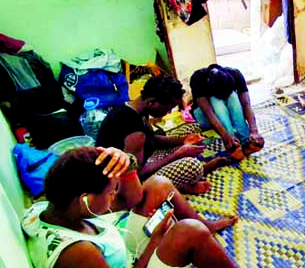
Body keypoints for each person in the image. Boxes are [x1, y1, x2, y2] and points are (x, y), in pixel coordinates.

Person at [21, 147, 282, 268]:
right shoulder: (78, 253)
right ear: (86, 200)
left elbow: (132, 197)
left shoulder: (47, 209)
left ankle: (203, 226)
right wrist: (155, 242)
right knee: (188, 233)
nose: (116, 196)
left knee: (158, 185)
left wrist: (126, 163)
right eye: (111, 192)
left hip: (119, 263)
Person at [96, 75, 225, 195]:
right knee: (192, 166)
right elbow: (137, 174)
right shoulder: (135, 133)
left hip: (144, 157)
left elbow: (153, 140)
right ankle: (184, 184)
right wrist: (178, 154)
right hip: (127, 184)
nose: (168, 112)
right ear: (152, 102)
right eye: (168, 108)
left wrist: (184, 140)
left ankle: (185, 180)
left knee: (192, 129)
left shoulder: (136, 108)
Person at [190, 64, 264, 161]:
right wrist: (225, 135)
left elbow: (246, 104)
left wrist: (254, 131)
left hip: (223, 113)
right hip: (204, 116)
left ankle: (245, 139)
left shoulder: (235, 74)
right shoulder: (198, 79)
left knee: (233, 96)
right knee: (216, 101)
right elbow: (209, 113)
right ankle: (233, 142)